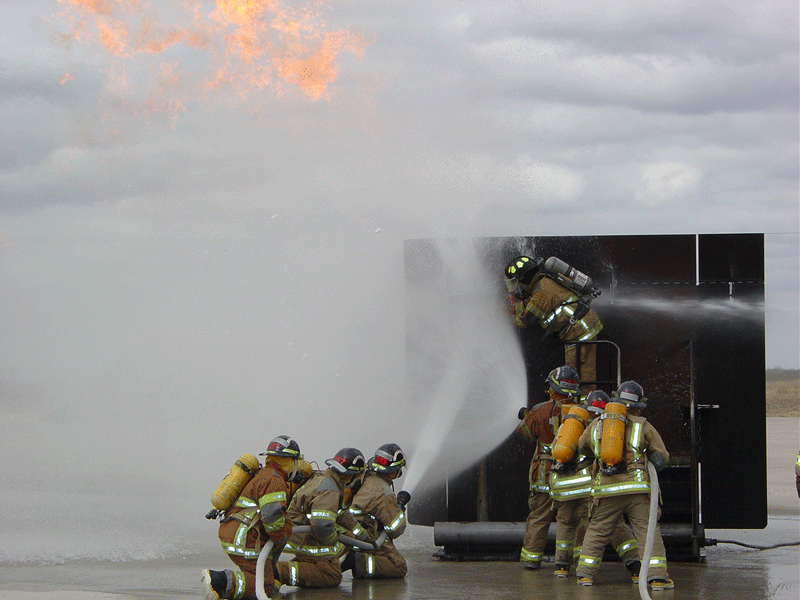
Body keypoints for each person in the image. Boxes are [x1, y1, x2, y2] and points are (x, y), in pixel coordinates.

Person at [575, 381, 674, 590]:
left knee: (598, 530)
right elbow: (661, 457)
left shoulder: (597, 424)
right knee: (647, 531)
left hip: (606, 489)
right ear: (638, 405)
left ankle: (585, 574)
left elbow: (582, 447)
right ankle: (657, 578)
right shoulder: (642, 425)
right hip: (637, 490)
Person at [202, 435, 311, 600]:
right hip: (246, 539)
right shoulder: (273, 480)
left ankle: (232, 584)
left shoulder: (263, 474)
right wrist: (281, 538)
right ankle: (220, 581)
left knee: (260, 578)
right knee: (264, 587)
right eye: (296, 462)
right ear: (290, 461)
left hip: (236, 532)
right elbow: (273, 519)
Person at [549, 390, 640, 580]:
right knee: (609, 524)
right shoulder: (602, 427)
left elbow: (554, 451)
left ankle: (561, 566)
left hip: (560, 486)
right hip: (584, 486)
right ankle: (633, 563)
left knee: (565, 524)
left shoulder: (568, 424)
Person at [275, 447, 373, 589]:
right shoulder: (330, 490)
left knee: (348, 538)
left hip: (298, 531)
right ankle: (277, 572)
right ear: (349, 475)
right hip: (301, 535)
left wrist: (363, 536)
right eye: (357, 476)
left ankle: (294, 570)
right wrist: (336, 538)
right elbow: (321, 527)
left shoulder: (325, 479)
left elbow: (340, 513)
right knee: (331, 575)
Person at [515, 365, 582, 569]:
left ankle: (530, 561)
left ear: (553, 389)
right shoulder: (582, 413)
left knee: (538, 518)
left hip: (543, 475)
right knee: (571, 521)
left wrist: (531, 416)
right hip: (571, 476)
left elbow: (525, 433)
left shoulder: (539, 410)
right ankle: (569, 562)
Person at [504, 255, 602, 393]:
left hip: (579, 333)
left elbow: (527, 320)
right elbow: (530, 306)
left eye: (516, 283)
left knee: (577, 376)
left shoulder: (541, 293)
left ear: (523, 279)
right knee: (580, 375)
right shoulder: (542, 284)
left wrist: (505, 318)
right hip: (581, 328)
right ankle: (580, 405)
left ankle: (582, 409)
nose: (516, 288)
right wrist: (513, 309)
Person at [343, 443, 412, 579]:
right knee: (399, 567)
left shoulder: (364, 476)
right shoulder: (383, 492)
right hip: (361, 538)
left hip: (346, 532)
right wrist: (398, 510)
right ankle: (359, 562)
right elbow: (395, 529)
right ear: (393, 470)